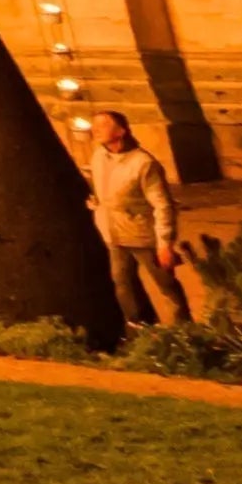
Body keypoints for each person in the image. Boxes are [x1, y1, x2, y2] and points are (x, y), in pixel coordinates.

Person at [77, 106, 185, 329]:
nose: (96, 129)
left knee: (166, 285)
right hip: (113, 235)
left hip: (143, 236)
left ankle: (184, 330)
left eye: (104, 125)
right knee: (123, 284)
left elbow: (162, 204)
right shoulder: (99, 157)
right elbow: (103, 190)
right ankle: (142, 328)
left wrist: (164, 244)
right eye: (94, 125)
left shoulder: (143, 163)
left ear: (122, 131)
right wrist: (98, 205)